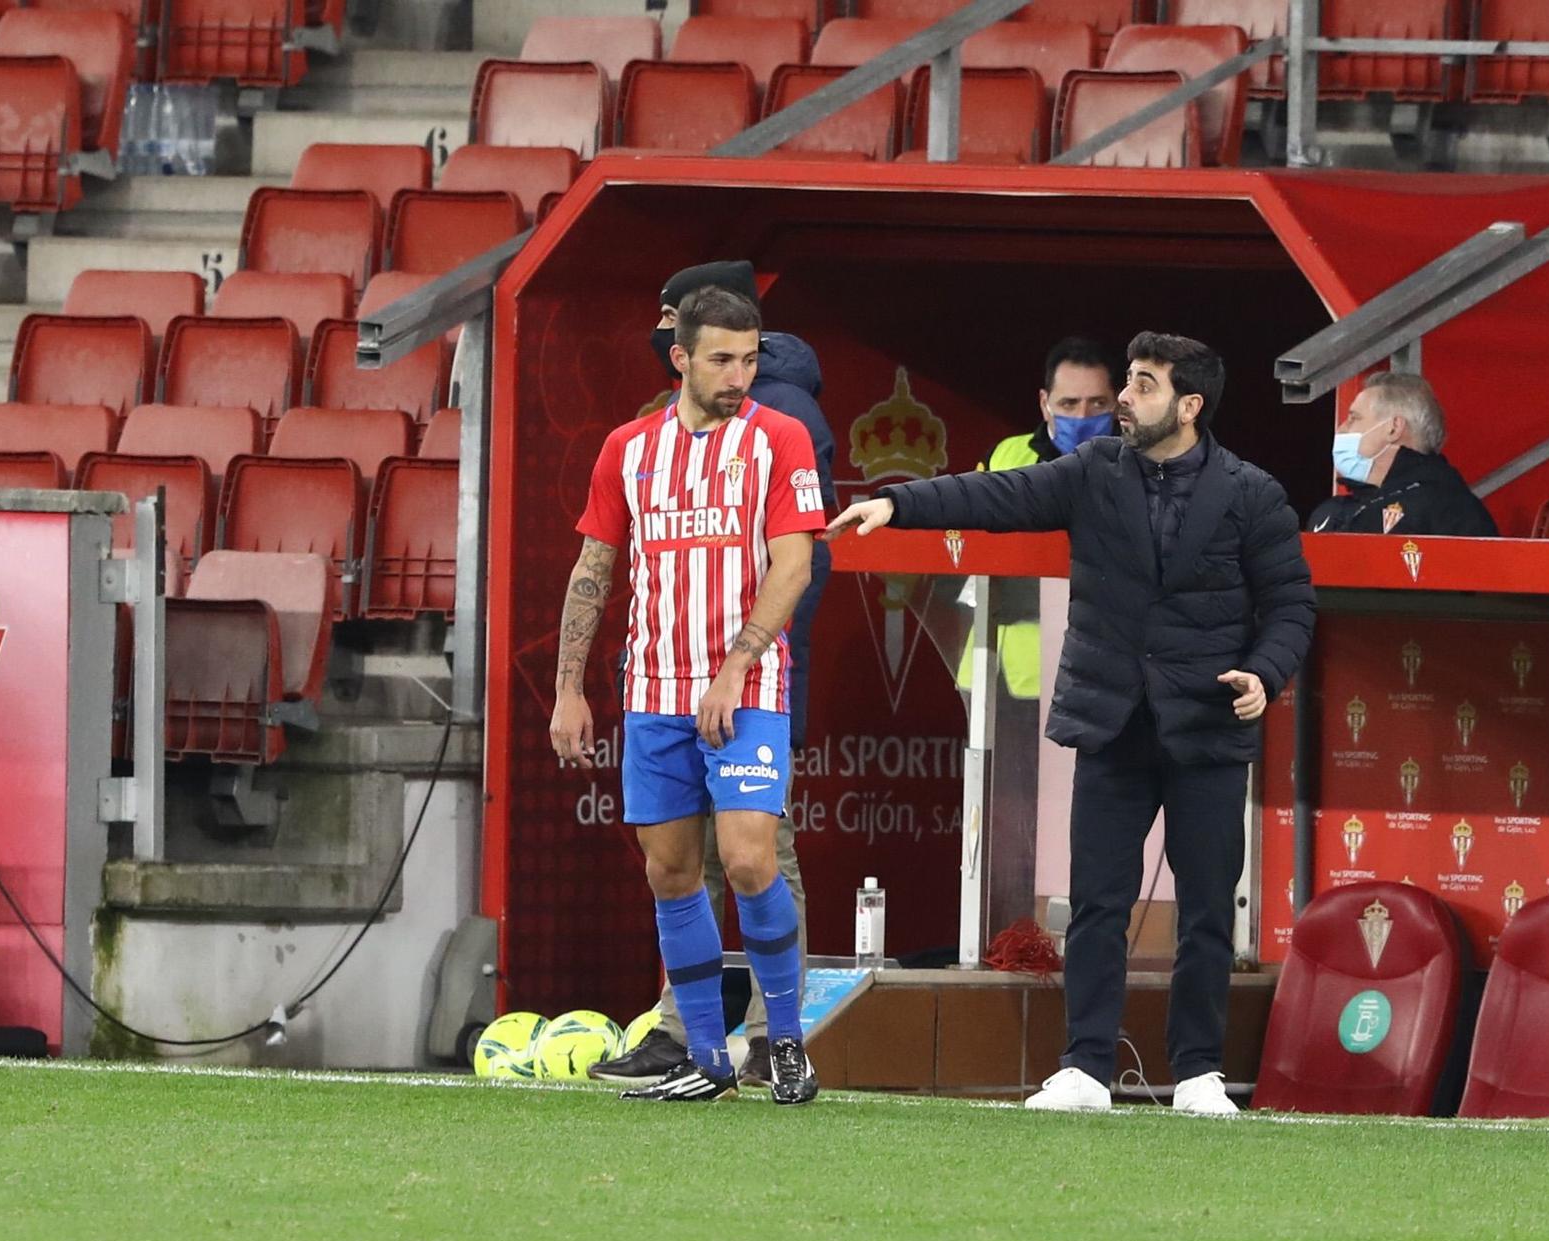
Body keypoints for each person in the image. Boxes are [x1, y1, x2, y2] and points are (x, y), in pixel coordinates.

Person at [824, 333, 1316, 1116]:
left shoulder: (1252, 494)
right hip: (1112, 721)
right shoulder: (1092, 472)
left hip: (1206, 728)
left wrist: (1265, 672)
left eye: (1144, 385)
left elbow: (1291, 603)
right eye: (1128, 379)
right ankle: (1086, 1068)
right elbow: (995, 499)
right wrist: (900, 503)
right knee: (1098, 903)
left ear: (1189, 406)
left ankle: (1197, 1073)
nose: (1124, 396)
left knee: (1206, 913)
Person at [552, 286, 825, 1104]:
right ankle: (705, 1058)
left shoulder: (780, 439)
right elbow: (594, 569)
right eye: (721, 359)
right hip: (653, 693)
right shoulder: (627, 450)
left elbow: (796, 563)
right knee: (670, 875)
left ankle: (785, 1042)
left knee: (747, 861)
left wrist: (738, 665)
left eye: (750, 358)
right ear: (681, 359)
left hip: (748, 688)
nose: (739, 374)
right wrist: (570, 688)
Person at [953, 336, 1122, 927]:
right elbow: (965, 543)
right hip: (1009, 681)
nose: (1082, 418)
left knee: (1087, 827)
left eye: (1096, 405)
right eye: (1070, 404)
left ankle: (1088, 937)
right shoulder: (1006, 459)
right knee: (1011, 827)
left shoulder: (1136, 465)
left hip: (1100, 680)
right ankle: (1007, 941)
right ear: (1044, 402)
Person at [1307, 371, 1498, 536]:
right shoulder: (1331, 511)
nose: (1341, 430)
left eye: (1354, 419)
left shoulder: (1451, 510)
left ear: (1394, 428)